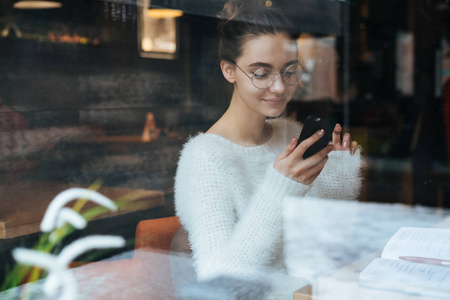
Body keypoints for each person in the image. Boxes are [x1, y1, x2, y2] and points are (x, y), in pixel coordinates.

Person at [174, 0, 363, 287]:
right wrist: (280, 188)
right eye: (261, 73)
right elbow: (218, 279)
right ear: (229, 70)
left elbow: (324, 239)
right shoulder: (206, 158)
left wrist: (339, 172)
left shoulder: (289, 133)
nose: (279, 87)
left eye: (289, 71)